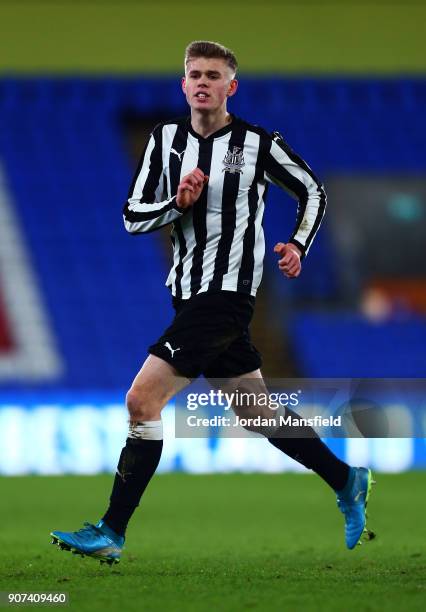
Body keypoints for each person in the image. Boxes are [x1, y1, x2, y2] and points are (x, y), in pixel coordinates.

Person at [51, 41, 375, 564]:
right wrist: (175, 204)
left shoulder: (257, 144)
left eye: (213, 75)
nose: (203, 82)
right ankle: (346, 478)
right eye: (194, 74)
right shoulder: (164, 141)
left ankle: (112, 530)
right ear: (183, 85)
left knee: (142, 401)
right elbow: (133, 217)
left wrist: (297, 244)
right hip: (188, 296)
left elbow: (312, 190)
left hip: (228, 296)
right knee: (257, 412)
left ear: (231, 86)